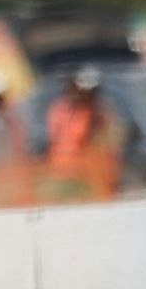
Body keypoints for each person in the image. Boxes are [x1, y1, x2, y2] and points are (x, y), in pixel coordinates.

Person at [42, 67, 123, 203]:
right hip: (63, 170)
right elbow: (56, 137)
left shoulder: (99, 112)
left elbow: (109, 140)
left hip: (90, 174)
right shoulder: (61, 109)